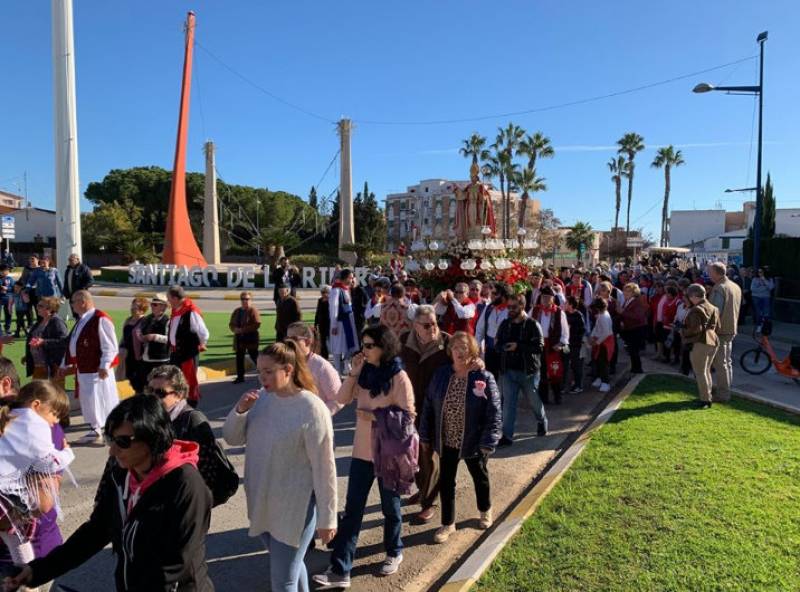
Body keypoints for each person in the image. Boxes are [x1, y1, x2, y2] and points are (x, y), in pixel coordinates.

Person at [6, 395, 214, 591]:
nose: (112, 450)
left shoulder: (186, 485)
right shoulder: (122, 473)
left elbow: (173, 566)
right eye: (111, 439)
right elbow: (96, 531)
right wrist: (38, 570)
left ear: (152, 437)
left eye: (123, 442)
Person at [224, 342, 336, 592]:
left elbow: (324, 467)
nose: (261, 377)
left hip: (294, 509)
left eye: (268, 371)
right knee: (291, 568)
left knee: (283, 579)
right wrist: (240, 410)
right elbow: (232, 437)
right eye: (259, 371)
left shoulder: (312, 408)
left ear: (288, 369)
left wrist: (328, 518)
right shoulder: (261, 399)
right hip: (262, 504)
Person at [313, 326, 415, 588]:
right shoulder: (364, 372)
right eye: (363, 345)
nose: (364, 350)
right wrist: (355, 372)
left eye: (370, 345)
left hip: (388, 453)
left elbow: (408, 417)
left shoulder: (398, 376)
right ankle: (340, 570)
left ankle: (394, 551)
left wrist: (376, 417)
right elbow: (342, 397)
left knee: (390, 509)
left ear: (384, 346)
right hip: (361, 454)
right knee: (353, 512)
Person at [420, 332, 501, 543]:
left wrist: (488, 442)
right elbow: (429, 405)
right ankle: (448, 524)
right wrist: (425, 434)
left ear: (473, 351)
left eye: (464, 347)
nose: (459, 351)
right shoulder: (441, 375)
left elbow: (494, 412)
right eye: (455, 347)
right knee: (447, 482)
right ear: (450, 351)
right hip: (447, 439)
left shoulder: (483, 377)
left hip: (473, 439)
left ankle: (485, 509)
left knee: (479, 476)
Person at [0, 380, 73, 568]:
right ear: (36, 405)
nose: (56, 421)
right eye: (55, 414)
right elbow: (48, 462)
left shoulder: (9, 416)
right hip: (9, 500)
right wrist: (67, 453)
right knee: (18, 537)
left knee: (14, 538)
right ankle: (26, 573)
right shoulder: (35, 424)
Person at [146, 365, 239, 507]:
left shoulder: (193, 420)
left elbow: (208, 470)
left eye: (160, 393)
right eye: (150, 391)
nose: (153, 397)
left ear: (179, 394)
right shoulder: (153, 418)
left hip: (188, 502)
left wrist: (194, 505)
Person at [399, 305, 450, 522]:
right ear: (415, 325)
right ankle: (423, 490)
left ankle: (430, 502)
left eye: (435, 323)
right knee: (416, 452)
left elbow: (469, 357)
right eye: (427, 325)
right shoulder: (403, 342)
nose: (433, 328)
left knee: (431, 453)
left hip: (437, 407)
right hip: (411, 406)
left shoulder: (446, 342)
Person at [59, 290, 120, 444]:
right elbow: (73, 344)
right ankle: (95, 428)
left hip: (96, 369)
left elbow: (110, 346)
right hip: (84, 368)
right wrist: (66, 364)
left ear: (83, 302)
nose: (72, 305)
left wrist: (104, 365)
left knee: (102, 399)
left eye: (73, 302)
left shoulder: (100, 319)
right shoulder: (82, 320)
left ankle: (108, 429)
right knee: (89, 400)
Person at [495, 294, 547, 447]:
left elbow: (539, 347)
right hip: (508, 371)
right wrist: (502, 347)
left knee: (534, 402)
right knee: (508, 405)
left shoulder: (532, 324)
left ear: (522, 307)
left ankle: (541, 420)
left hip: (528, 372)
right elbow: (497, 343)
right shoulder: (505, 324)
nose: (509, 310)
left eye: (513, 307)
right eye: (508, 307)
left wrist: (519, 346)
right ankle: (507, 436)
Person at [286, 322, 342, 414]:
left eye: (294, 339)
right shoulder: (285, 363)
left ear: (308, 341)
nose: (289, 343)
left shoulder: (322, 366)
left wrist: (316, 415)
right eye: (287, 339)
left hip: (315, 424)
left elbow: (338, 400)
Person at [168, 285, 209, 408]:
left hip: (187, 354)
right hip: (175, 354)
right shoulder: (176, 311)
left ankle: (191, 407)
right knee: (175, 381)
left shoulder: (190, 311)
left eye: (169, 298)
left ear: (175, 298)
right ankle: (178, 405)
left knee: (188, 382)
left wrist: (201, 343)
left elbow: (203, 332)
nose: (168, 301)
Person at [681, 284, 720, 409]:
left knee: (700, 372)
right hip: (713, 340)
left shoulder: (696, 309)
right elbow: (718, 327)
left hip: (701, 342)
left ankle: (705, 400)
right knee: (706, 371)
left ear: (693, 296)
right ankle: (707, 397)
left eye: (689, 296)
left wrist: (682, 331)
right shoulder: (713, 307)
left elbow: (695, 329)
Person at [708, 262, 742, 403]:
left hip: (720, 330)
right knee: (726, 362)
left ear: (716, 272)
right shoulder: (735, 286)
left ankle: (723, 394)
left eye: (710, 272)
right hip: (730, 328)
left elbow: (715, 312)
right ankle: (725, 390)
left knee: (721, 363)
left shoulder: (719, 288)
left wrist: (708, 330)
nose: (709, 275)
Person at [532, 286, 569, 405]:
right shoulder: (535, 310)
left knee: (555, 371)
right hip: (539, 345)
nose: (545, 300)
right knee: (541, 371)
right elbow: (527, 325)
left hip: (553, 346)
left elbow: (565, 331)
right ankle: (544, 398)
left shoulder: (559, 312)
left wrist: (561, 343)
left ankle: (557, 396)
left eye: (548, 297)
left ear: (553, 299)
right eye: (543, 297)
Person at [25, 296, 68, 388]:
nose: (37, 308)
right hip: (38, 366)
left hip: (52, 366)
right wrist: (29, 355)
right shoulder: (40, 321)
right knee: (37, 393)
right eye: (37, 305)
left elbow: (64, 341)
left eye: (40, 306)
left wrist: (44, 342)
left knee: (55, 395)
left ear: (50, 309)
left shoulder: (57, 322)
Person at [475, 282, 510, 380]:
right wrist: (477, 346)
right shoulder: (489, 308)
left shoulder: (512, 309)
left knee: (506, 380)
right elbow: (479, 329)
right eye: (492, 293)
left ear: (504, 295)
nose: (492, 296)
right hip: (490, 350)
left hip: (506, 352)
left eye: (495, 294)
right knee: (490, 378)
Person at [329, 269, 359, 377]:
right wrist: (334, 324)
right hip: (340, 323)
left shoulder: (346, 289)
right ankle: (337, 370)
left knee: (349, 345)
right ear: (345, 278)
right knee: (338, 346)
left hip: (348, 321)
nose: (352, 280)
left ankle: (346, 365)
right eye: (350, 278)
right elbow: (334, 308)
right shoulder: (336, 290)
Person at [135, 293, 171, 383]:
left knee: (160, 387)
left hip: (161, 360)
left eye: (155, 304)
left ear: (163, 307)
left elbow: (170, 339)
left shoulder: (168, 321)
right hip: (146, 358)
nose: (152, 306)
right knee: (146, 385)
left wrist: (154, 337)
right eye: (152, 304)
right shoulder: (147, 319)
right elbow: (139, 330)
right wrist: (140, 336)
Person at [229, 291, 261, 384]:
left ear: (251, 300)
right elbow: (231, 323)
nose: (245, 301)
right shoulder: (237, 311)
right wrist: (234, 329)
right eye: (243, 299)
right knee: (239, 357)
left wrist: (243, 330)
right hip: (239, 338)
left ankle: (263, 372)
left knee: (254, 356)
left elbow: (257, 324)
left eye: (247, 299)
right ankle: (240, 377)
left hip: (251, 338)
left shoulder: (253, 311)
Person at [119, 296, 149, 394]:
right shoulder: (128, 320)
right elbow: (123, 338)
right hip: (127, 356)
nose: (132, 309)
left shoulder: (145, 321)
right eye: (132, 307)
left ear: (142, 310)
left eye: (135, 308)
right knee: (128, 379)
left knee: (138, 382)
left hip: (138, 357)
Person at [618, 283, 648, 375]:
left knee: (634, 350)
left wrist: (623, 312)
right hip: (629, 329)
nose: (625, 293)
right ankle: (634, 368)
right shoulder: (627, 301)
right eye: (625, 291)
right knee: (631, 351)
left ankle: (637, 370)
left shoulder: (636, 301)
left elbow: (637, 316)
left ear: (634, 292)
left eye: (628, 291)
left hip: (636, 329)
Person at [589, 298, 614, 392]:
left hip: (605, 342)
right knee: (597, 361)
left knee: (604, 362)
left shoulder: (604, 316)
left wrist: (597, 342)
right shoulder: (601, 315)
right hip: (600, 340)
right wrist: (592, 335)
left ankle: (605, 382)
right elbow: (596, 327)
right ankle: (599, 378)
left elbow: (606, 332)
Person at [564, 296, 586, 393]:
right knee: (566, 365)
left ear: (571, 305)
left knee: (576, 365)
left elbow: (581, 330)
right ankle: (565, 385)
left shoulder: (578, 315)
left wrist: (571, 329)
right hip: (566, 344)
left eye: (566, 303)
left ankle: (578, 385)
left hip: (575, 345)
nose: (564, 304)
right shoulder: (565, 314)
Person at [314, 286, 332, 360]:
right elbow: (317, 312)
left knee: (332, 341)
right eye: (322, 292)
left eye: (326, 292)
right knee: (323, 341)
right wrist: (316, 323)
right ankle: (325, 357)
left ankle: (337, 356)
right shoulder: (320, 300)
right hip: (322, 324)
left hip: (330, 324)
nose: (324, 294)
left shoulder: (331, 301)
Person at [0, 266, 13, 336]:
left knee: (8, 314)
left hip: (8, 299)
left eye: (7, 270)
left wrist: (7, 288)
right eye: (3, 271)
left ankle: (7, 329)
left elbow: (13, 288)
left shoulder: (10, 279)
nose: (5, 272)